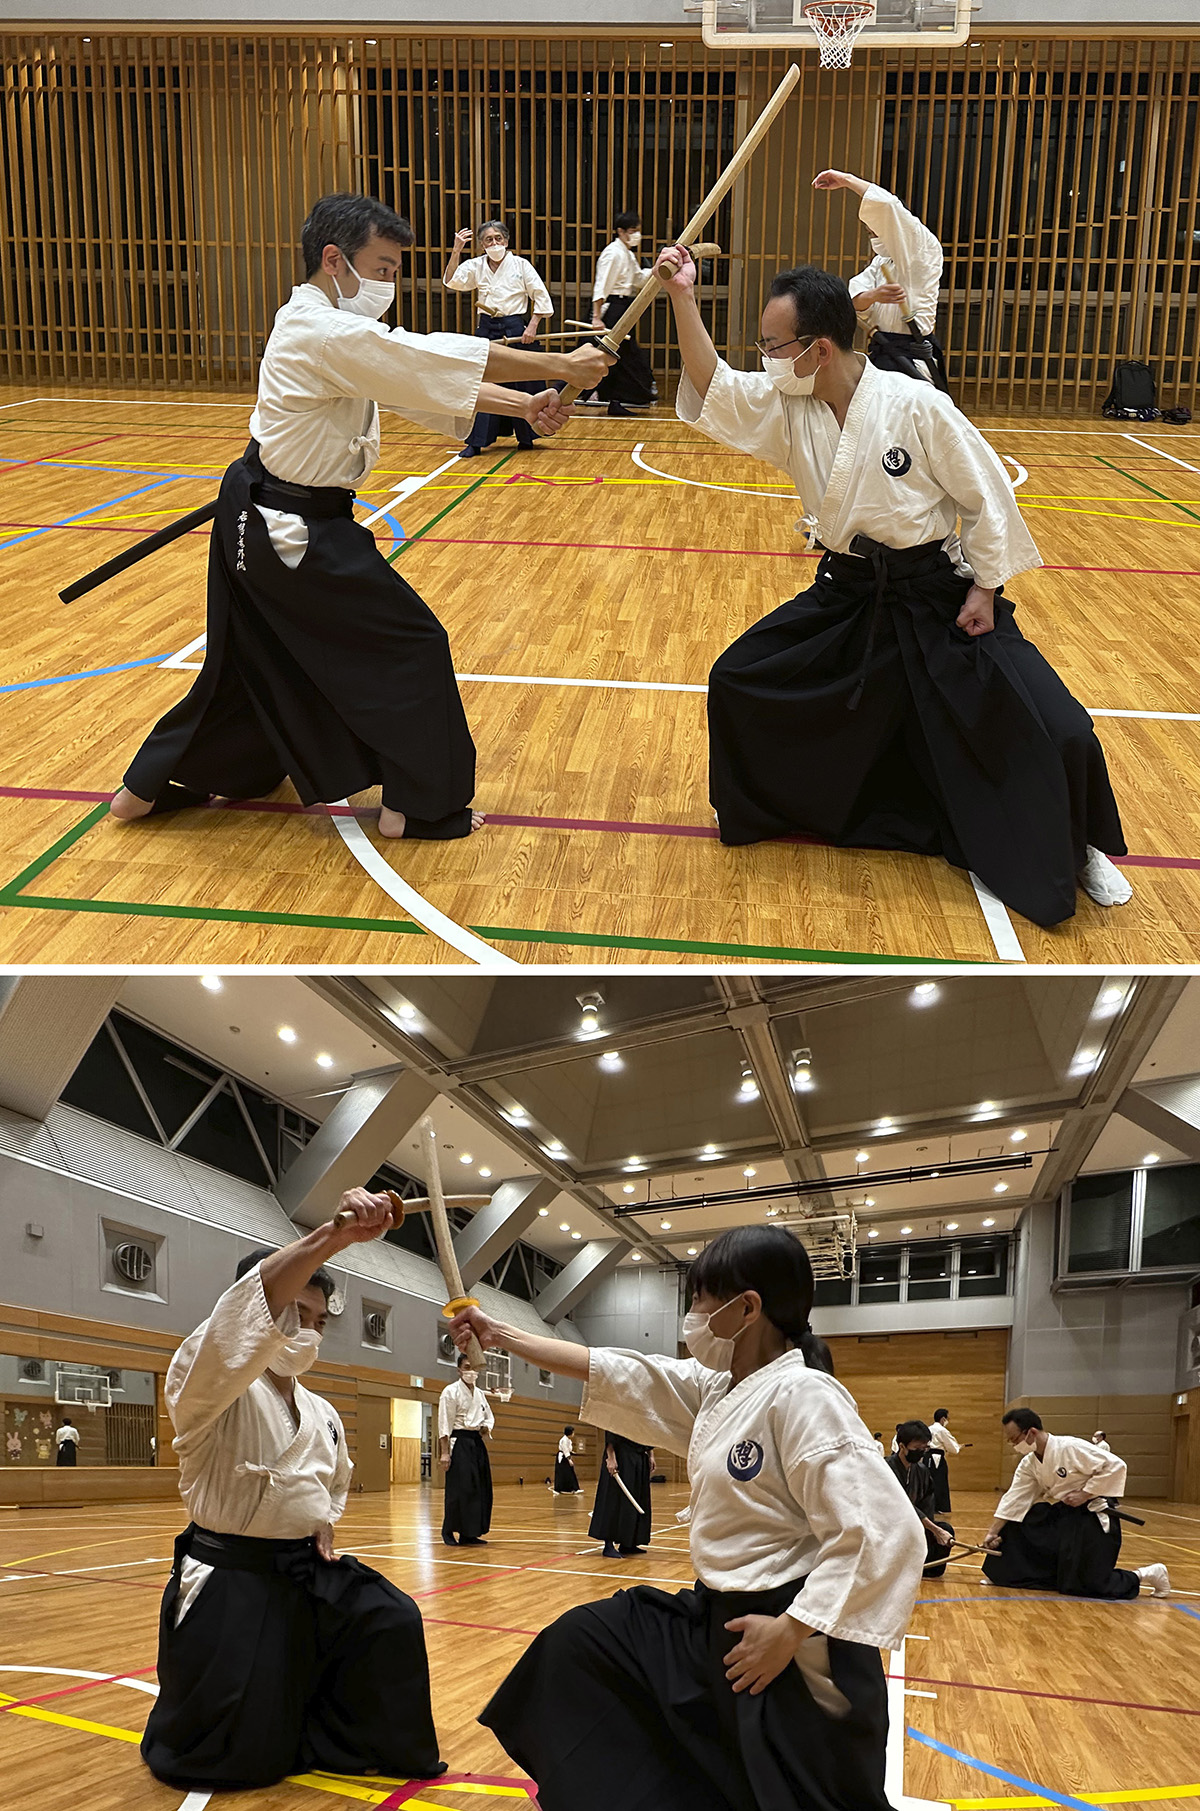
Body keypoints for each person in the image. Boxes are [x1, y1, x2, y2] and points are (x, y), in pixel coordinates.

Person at [654, 244, 1130, 929]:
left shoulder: (914, 406)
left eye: (772, 343)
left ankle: (1075, 841)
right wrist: (683, 299)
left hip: (938, 596)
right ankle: (806, 804)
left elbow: (985, 497)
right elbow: (715, 385)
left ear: (818, 349)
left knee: (1061, 731)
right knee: (738, 678)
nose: (764, 356)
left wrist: (985, 589)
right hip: (849, 596)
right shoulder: (792, 403)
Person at [110, 194, 609, 842]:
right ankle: (419, 805)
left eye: (397, 271)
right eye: (382, 269)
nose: (390, 285)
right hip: (290, 528)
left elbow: (411, 379)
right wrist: (559, 366)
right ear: (333, 259)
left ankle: (148, 788)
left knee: (256, 661)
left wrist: (524, 405)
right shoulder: (321, 329)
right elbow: (425, 359)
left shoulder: (329, 327)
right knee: (411, 643)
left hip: (266, 515)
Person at [449, 1225, 926, 1811]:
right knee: (580, 1645)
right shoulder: (722, 1389)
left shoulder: (804, 1394)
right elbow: (619, 1370)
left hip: (786, 1632)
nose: (692, 1315)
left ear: (746, 1308)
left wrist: (792, 1630)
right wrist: (501, 1335)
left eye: (701, 1299)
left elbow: (884, 1529)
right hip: (713, 1616)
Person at [139, 1190, 446, 1792]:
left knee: (392, 1618)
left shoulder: (322, 1410)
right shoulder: (205, 1383)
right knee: (245, 1751)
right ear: (251, 1314)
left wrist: (324, 1519)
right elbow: (239, 1325)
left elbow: (335, 1481)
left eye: (317, 1321)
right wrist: (332, 1237)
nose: (306, 1331)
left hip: (302, 1568)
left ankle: (350, 1737)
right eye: (291, 1314)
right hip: (232, 1574)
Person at [981, 1408, 1169, 1601]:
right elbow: (1015, 1498)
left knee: (1087, 1584)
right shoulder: (1029, 1463)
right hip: (1065, 1513)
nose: (1013, 1444)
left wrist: (1085, 1493)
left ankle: (1146, 1574)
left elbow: (1116, 1466)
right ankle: (1011, 1573)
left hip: (1093, 1513)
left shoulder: (1070, 1447)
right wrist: (993, 1532)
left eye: (1014, 1439)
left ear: (1032, 1432)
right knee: (1016, 1525)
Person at [813, 168, 950, 392]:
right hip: (884, 351)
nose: (872, 232)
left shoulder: (924, 248)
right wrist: (873, 296)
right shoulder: (881, 262)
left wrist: (847, 180)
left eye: (875, 228)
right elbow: (854, 303)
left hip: (911, 354)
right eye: (870, 231)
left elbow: (889, 208)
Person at [443, 220, 556, 457]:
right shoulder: (476, 266)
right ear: (482, 244)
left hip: (516, 327)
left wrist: (532, 326)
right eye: (488, 240)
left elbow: (541, 296)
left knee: (524, 380)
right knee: (482, 384)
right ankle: (475, 442)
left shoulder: (520, 265)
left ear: (506, 241)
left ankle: (527, 437)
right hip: (488, 327)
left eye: (498, 239)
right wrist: (456, 250)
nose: (494, 243)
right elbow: (452, 282)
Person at [584, 210, 659, 415]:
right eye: (632, 230)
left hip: (624, 306)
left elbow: (637, 279)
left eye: (637, 230)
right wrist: (597, 316)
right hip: (612, 309)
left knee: (621, 355)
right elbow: (602, 286)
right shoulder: (613, 252)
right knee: (615, 354)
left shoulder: (626, 253)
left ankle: (614, 399)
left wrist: (658, 269)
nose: (636, 235)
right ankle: (601, 395)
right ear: (620, 231)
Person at [438, 1352, 495, 1545]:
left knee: (478, 1488)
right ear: (459, 1370)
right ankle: (448, 1531)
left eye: (473, 1368)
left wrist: (486, 1427)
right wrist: (445, 1453)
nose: (471, 1372)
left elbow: (489, 1416)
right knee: (460, 1488)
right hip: (459, 1442)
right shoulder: (451, 1391)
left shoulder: (479, 1394)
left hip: (476, 1443)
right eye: (466, 1367)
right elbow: (444, 1423)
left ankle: (469, 1533)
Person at [886, 1421, 955, 1578]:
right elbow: (902, 1504)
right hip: (890, 1527)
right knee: (937, 1530)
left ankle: (922, 1567)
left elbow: (926, 1506)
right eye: (917, 1449)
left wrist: (933, 1531)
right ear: (902, 1446)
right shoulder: (886, 1469)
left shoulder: (922, 1471)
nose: (922, 1453)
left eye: (925, 1449)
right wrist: (935, 1530)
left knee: (946, 1530)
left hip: (915, 1525)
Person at [589, 1431, 654, 1557]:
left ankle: (628, 1543)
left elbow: (648, 1428)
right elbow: (610, 1429)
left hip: (639, 1455)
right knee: (614, 1499)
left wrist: (651, 1454)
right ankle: (608, 1545)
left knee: (636, 1499)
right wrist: (611, 1456)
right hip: (620, 1456)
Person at [928, 1406, 959, 1513]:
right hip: (937, 1458)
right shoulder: (942, 1430)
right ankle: (938, 1506)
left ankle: (930, 1506)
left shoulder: (928, 1429)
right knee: (939, 1481)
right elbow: (953, 1448)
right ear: (942, 1419)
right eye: (947, 1419)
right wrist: (957, 1448)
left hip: (928, 1457)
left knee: (928, 1481)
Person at [553, 1425, 581, 1495]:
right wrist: (569, 1459)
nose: (574, 1434)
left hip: (566, 1457)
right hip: (563, 1458)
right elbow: (565, 1450)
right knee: (561, 1473)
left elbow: (568, 1449)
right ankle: (557, 1489)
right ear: (570, 1432)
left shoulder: (568, 1440)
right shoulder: (564, 1440)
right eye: (573, 1432)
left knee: (569, 1473)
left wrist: (571, 1452)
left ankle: (572, 1488)